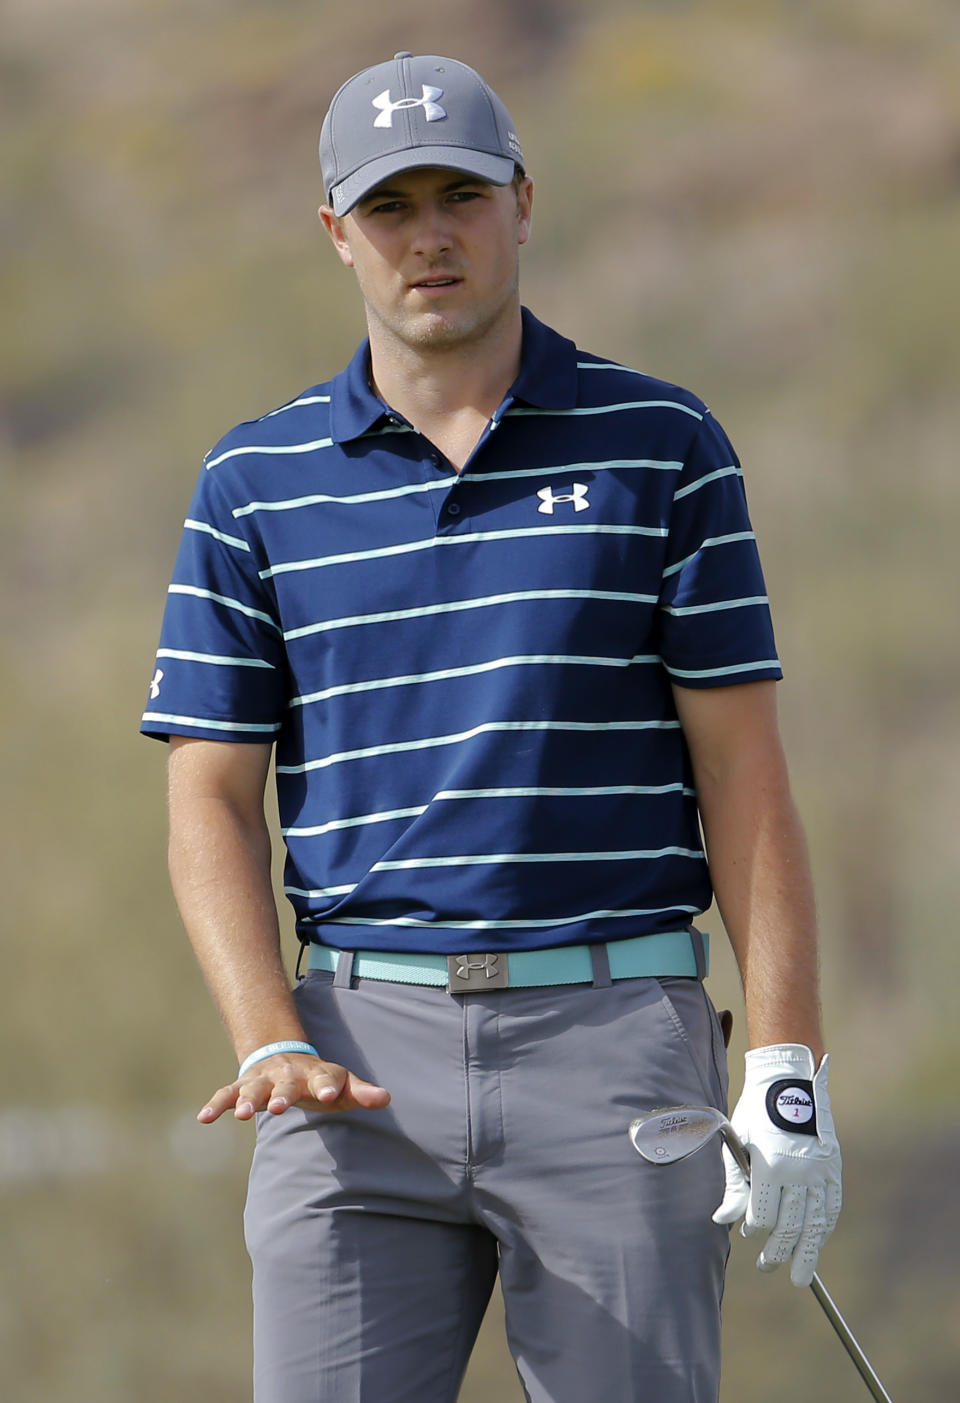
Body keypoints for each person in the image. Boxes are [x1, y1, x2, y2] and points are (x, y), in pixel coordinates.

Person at [142, 51, 842, 1403]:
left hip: (618, 1046)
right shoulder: (254, 482)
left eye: (458, 193)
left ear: (523, 202)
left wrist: (788, 1064)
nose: (430, 235)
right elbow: (210, 798)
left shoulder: (661, 443)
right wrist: (264, 1031)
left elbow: (744, 772)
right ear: (336, 232)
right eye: (390, 206)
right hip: (348, 1060)